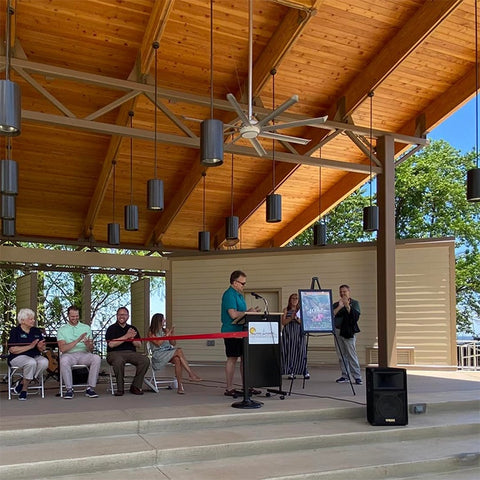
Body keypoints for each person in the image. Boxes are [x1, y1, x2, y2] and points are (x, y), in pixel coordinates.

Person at [221, 270, 260, 396]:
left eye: (245, 283)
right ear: (234, 282)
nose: (244, 285)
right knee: (232, 358)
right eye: (242, 283)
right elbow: (233, 314)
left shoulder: (239, 295)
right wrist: (248, 312)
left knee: (245, 359)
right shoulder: (229, 294)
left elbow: (242, 313)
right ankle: (229, 387)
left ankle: (247, 386)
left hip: (242, 331)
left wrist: (249, 312)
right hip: (231, 331)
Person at [148, 313, 202, 394]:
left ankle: (180, 386)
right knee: (179, 351)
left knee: (177, 359)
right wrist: (168, 334)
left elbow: (173, 343)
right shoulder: (151, 332)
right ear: (158, 321)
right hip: (159, 355)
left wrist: (172, 334)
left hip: (168, 352)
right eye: (163, 319)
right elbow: (158, 343)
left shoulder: (165, 330)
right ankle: (191, 374)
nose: (165, 321)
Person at [56, 305, 101, 399]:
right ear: (68, 316)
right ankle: (69, 389)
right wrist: (78, 340)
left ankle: (90, 388)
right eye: (72, 316)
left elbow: (91, 349)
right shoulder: (62, 330)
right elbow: (63, 349)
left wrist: (88, 344)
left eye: (77, 316)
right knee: (63, 360)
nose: (75, 318)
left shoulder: (86, 328)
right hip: (69, 355)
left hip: (84, 354)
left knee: (96, 358)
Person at [105, 306, 150, 396]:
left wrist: (132, 338)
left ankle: (135, 386)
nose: (122, 316)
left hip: (130, 353)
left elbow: (139, 344)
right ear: (117, 316)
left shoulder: (132, 328)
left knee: (145, 360)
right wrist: (126, 336)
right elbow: (111, 344)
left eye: (124, 314)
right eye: (120, 314)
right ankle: (120, 388)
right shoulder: (111, 328)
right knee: (118, 361)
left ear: (128, 316)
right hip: (114, 353)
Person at [7, 308, 48, 401]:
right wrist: (30, 346)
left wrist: (41, 347)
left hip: (34, 356)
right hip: (17, 357)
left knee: (44, 362)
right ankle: (24, 390)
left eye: (33, 318)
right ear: (22, 320)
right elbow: (12, 350)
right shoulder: (15, 331)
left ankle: (22, 383)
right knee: (31, 363)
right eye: (31, 319)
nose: (33, 320)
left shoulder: (36, 331)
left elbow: (43, 348)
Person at [332, 284, 362, 385]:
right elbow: (331, 315)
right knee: (341, 355)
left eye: (344, 291)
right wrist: (340, 306)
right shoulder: (336, 304)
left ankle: (357, 376)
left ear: (349, 292)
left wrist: (347, 306)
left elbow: (355, 317)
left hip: (348, 331)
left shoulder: (355, 303)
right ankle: (345, 375)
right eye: (341, 292)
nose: (342, 293)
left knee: (351, 354)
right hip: (337, 331)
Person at [281, 293, 309, 380]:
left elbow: (304, 323)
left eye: (296, 298)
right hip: (288, 333)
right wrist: (291, 318)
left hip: (299, 332)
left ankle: (304, 370)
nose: (295, 300)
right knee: (290, 352)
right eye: (293, 298)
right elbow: (283, 322)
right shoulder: (286, 310)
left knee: (301, 351)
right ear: (290, 300)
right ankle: (291, 371)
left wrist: (296, 318)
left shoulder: (301, 310)